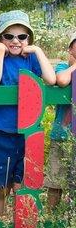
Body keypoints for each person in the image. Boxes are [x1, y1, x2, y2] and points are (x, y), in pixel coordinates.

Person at [0, 10, 56, 217]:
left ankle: (21, 226)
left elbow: (51, 79)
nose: (15, 41)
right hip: (2, 130)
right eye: (9, 36)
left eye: (22, 36)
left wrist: (38, 51)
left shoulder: (31, 59)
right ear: (1, 38)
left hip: (27, 131)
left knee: (21, 185)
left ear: (28, 39)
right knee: (1, 187)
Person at [45, 32, 76, 209]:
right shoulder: (63, 66)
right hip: (61, 135)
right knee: (55, 180)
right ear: (70, 49)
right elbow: (62, 80)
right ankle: (51, 215)